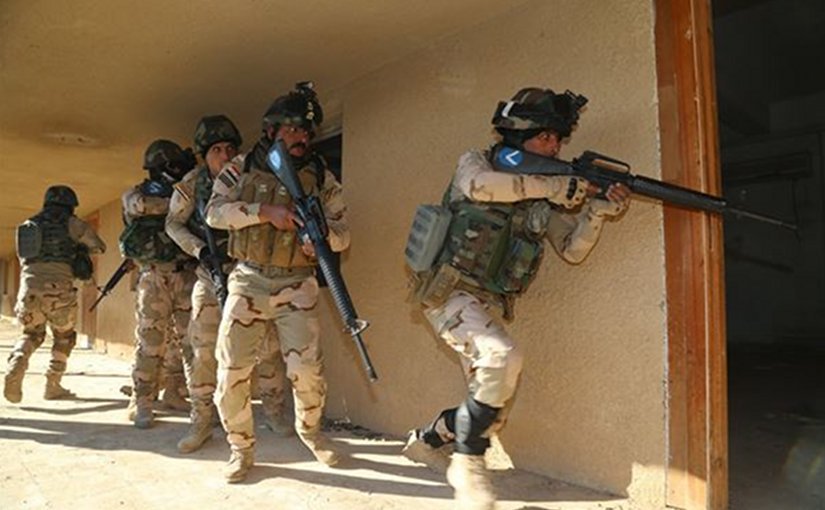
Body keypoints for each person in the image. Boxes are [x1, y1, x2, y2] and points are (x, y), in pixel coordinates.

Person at [402, 87, 632, 509]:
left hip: (483, 306)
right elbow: (479, 187)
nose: (556, 146)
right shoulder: (478, 162)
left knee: (492, 408)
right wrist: (553, 186)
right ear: (518, 132)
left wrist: (596, 213)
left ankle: (427, 439)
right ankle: (467, 469)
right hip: (448, 292)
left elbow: (573, 250)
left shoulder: (544, 195)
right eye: (547, 136)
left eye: (559, 139)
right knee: (501, 356)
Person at [206, 82, 349, 483]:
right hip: (248, 280)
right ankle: (241, 449)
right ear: (271, 130)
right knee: (232, 369)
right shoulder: (240, 167)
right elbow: (214, 215)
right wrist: (262, 211)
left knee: (306, 371)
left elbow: (344, 234)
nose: (301, 138)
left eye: (306, 132)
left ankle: (312, 434)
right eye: (292, 130)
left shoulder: (321, 176)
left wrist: (319, 240)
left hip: (297, 283)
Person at [166, 114, 292, 454]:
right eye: (216, 150)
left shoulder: (248, 175)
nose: (224, 156)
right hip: (210, 276)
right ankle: (202, 421)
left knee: (267, 347)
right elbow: (172, 225)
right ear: (203, 155)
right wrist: (199, 249)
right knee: (204, 349)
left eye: (230, 148)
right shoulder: (191, 185)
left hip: (250, 274)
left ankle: (275, 412)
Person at [4, 185, 106, 402]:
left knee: (31, 334)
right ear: (70, 204)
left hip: (28, 289)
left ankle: (17, 363)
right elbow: (99, 247)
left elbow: (24, 257)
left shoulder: (27, 225)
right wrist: (80, 249)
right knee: (64, 337)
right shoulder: (74, 224)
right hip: (59, 291)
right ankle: (53, 384)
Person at [121, 139, 197, 429]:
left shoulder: (185, 191)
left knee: (188, 341)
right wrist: (180, 201)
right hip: (153, 277)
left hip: (185, 273)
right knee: (150, 342)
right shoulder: (136, 194)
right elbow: (141, 207)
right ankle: (141, 401)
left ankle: (175, 392)